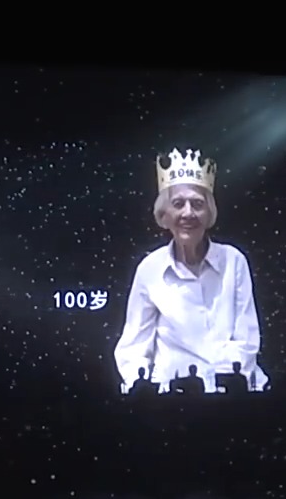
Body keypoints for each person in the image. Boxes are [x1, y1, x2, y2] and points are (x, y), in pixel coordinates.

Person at [113, 148, 269, 393]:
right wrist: (140, 390)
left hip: (231, 392)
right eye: (178, 204)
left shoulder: (234, 260)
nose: (188, 213)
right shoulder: (149, 269)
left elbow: (246, 341)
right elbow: (133, 348)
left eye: (197, 204)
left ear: (209, 214)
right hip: (170, 398)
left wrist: (214, 390)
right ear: (164, 215)